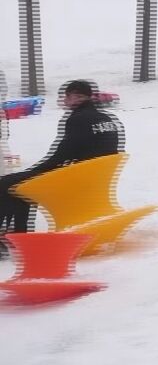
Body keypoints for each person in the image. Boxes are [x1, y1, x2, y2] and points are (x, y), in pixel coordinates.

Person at [0, 80, 123, 256]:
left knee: (6, 183)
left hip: (75, 179)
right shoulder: (106, 118)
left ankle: (14, 235)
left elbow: (61, 155)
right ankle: (19, 234)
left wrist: (34, 172)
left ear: (72, 97)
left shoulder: (77, 119)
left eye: (66, 96)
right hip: (94, 178)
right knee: (19, 183)